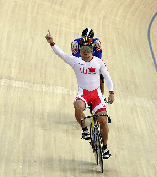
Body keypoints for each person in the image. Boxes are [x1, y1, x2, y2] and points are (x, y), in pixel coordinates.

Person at [45, 30, 114, 159]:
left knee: (103, 121)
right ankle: (84, 130)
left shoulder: (99, 62)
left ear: (92, 52)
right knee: (77, 106)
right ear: (80, 53)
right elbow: (61, 54)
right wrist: (52, 43)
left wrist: (111, 93)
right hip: (84, 94)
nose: (86, 54)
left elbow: (107, 77)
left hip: (97, 96)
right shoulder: (75, 61)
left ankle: (104, 147)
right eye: (83, 52)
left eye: (88, 52)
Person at [71, 28, 105, 95]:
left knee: (101, 74)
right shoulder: (75, 43)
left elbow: (98, 57)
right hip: (82, 61)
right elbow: (75, 57)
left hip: (91, 59)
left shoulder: (97, 42)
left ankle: (101, 96)